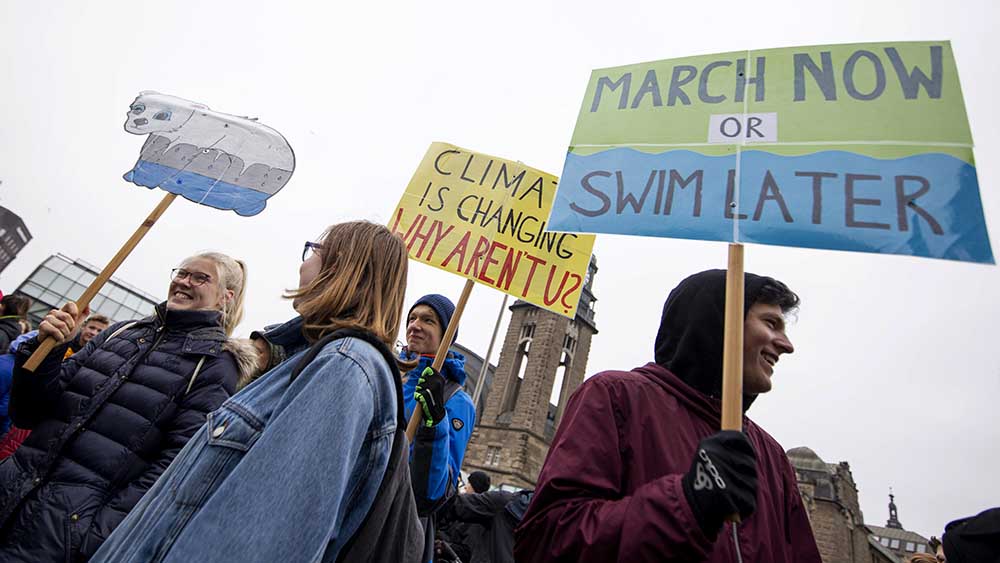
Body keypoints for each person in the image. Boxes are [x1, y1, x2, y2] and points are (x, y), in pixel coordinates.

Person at [92, 221, 422, 563]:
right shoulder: (312, 360)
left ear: (340, 267)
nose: (303, 263)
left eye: (313, 250)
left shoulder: (342, 368)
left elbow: (254, 539)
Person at [515, 269, 822, 562]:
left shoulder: (773, 457)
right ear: (719, 323)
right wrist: (688, 503)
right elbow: (547, 541)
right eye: (771, 323)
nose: (787, 345)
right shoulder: (615, 397)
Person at [0, 252, 252, 562]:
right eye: (182, 273)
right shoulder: (122, 332)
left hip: (60, 533)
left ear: (225, 297)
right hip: (9, 485)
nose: (184, 282)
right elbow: (27, 413)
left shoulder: (215, 365)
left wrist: (95, 535)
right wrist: (49, 350)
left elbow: (174, 465)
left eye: (200, 278)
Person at [402, 294, 477, 562]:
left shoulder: (457, 400)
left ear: (446, 334)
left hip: (404, 526)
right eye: (412, 318)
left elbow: (436, 491)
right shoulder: (389, 371)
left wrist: (435, 422)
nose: (415, 325)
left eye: (428, 320)